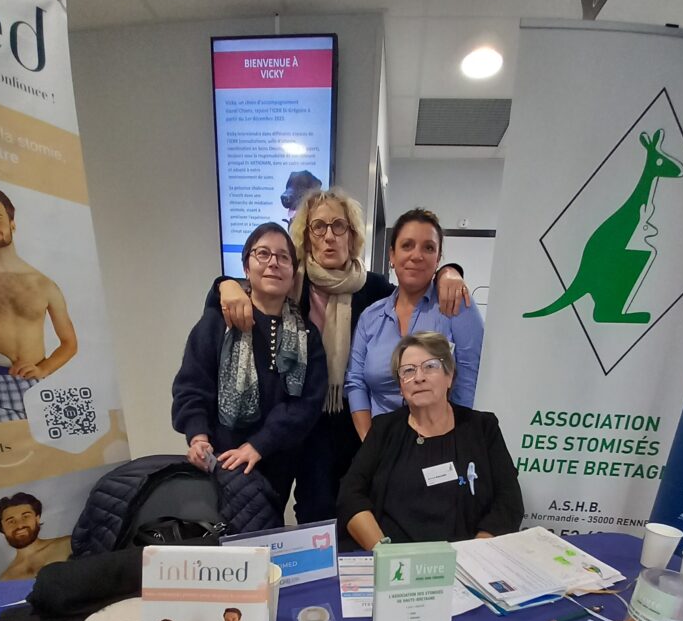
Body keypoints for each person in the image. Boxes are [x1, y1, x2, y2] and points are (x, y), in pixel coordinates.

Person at [215, 188, 471, 522]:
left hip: (351, 417)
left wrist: (448, 271)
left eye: (339, 226)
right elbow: (242, 290)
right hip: (293, 415)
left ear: (352, 236)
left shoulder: (373, 288)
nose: (329, 236)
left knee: (352, 506)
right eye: (318, 227)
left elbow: (414, 281)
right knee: (298, 507)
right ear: (306, 237)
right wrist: (224, 284)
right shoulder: (290, 282)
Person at [172, 222, 327, 515]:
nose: (273, 263)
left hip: (277, 461)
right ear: (246, 266)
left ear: (293, 272)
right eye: (263, 254)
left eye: (283, 257)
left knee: (265, 530)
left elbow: (307, 404)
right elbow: (192, 385)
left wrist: (258, 445)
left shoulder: (307, 335)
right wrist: (198, 437)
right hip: (219, 459)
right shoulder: (217, 323)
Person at [337, 332, 523, 548]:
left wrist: (475, 553)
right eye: (408, 370)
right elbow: (350, 495)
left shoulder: (482, 427)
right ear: (401, 386)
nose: (419, 378)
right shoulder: (384, 429)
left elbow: (509, 501)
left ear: (449, 376)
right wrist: (384, 553)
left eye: (430, 366)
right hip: (395, 557)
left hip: (467, 556)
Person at [345, 208, 484, 442]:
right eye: (407, 245)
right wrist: (371, 443)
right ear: (392, 255)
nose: (416, 255)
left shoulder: (457, 306)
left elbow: (470, 380)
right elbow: (355, 381)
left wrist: (451, 441)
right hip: (382, 444)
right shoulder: (371, 317)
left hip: (441, 443)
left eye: (428, 248)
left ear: (438, 258)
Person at [0, 183, 78, 424]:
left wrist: (43, 369)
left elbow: (69, 343)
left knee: (56, 448)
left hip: (38, 386)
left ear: (12, 223)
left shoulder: (43, 284)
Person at [0, 491, 72, 580]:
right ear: (2, 528)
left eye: (25, 516)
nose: (20, 525)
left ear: (37, 518)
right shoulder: (5, 580)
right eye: (11, 521)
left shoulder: (68, 545)